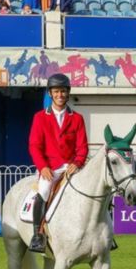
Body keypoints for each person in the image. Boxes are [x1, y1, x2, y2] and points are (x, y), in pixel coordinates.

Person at [28, 73, 88, 253]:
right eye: (56, 91)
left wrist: (77, 163)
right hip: (50, 168)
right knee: (43, 192)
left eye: (63, 91)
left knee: (92, 189)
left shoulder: (77, 118)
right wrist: (43, 167)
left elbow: (83, 147)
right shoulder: (40, 117)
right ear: (50, 93)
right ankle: (37, 235)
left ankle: (103, 234)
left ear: (68, 93)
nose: (60, 95)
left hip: (71, 168)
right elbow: (34, 146)